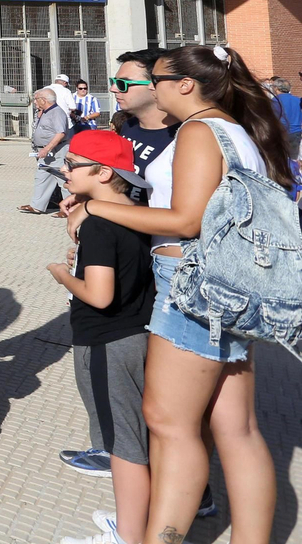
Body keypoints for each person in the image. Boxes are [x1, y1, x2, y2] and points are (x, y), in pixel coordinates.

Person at [59, 44, 288, 544]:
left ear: (185, 85)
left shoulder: (200, 131)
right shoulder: (235, 130)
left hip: (191, 285)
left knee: (168, 423)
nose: (152, 88)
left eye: (158, 79)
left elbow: (186, 220)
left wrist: (100, 210)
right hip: (228, 286)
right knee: (237, 430)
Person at [46, 130, 154, 544]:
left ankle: (129, 535)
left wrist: (62, 274)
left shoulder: (98, 228)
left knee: (122, 448)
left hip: (107, 343)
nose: (65, 171)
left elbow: (99, 294)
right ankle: (134, 522)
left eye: (72, 164)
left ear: (104, 172)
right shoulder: (138, 211)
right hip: (136, 335)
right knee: (133, 438)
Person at [19, 88, 70, 214]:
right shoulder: (44, 112)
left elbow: (60, 133)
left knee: (62, 178)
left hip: (57, 151)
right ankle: (37, 206)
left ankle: (69, 207)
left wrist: (47, 148)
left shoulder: (57, 112)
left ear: (44, 100)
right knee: (42, 177)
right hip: (46, 153)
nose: (34, 102)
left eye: (36, 99)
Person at [272, 77, 301, 157]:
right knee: (293, 158)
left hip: (281, 133)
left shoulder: (274, 101)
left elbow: (272, 118)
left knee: (281, 158)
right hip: (296, 132)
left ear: (276, 88)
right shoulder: (298, 100)